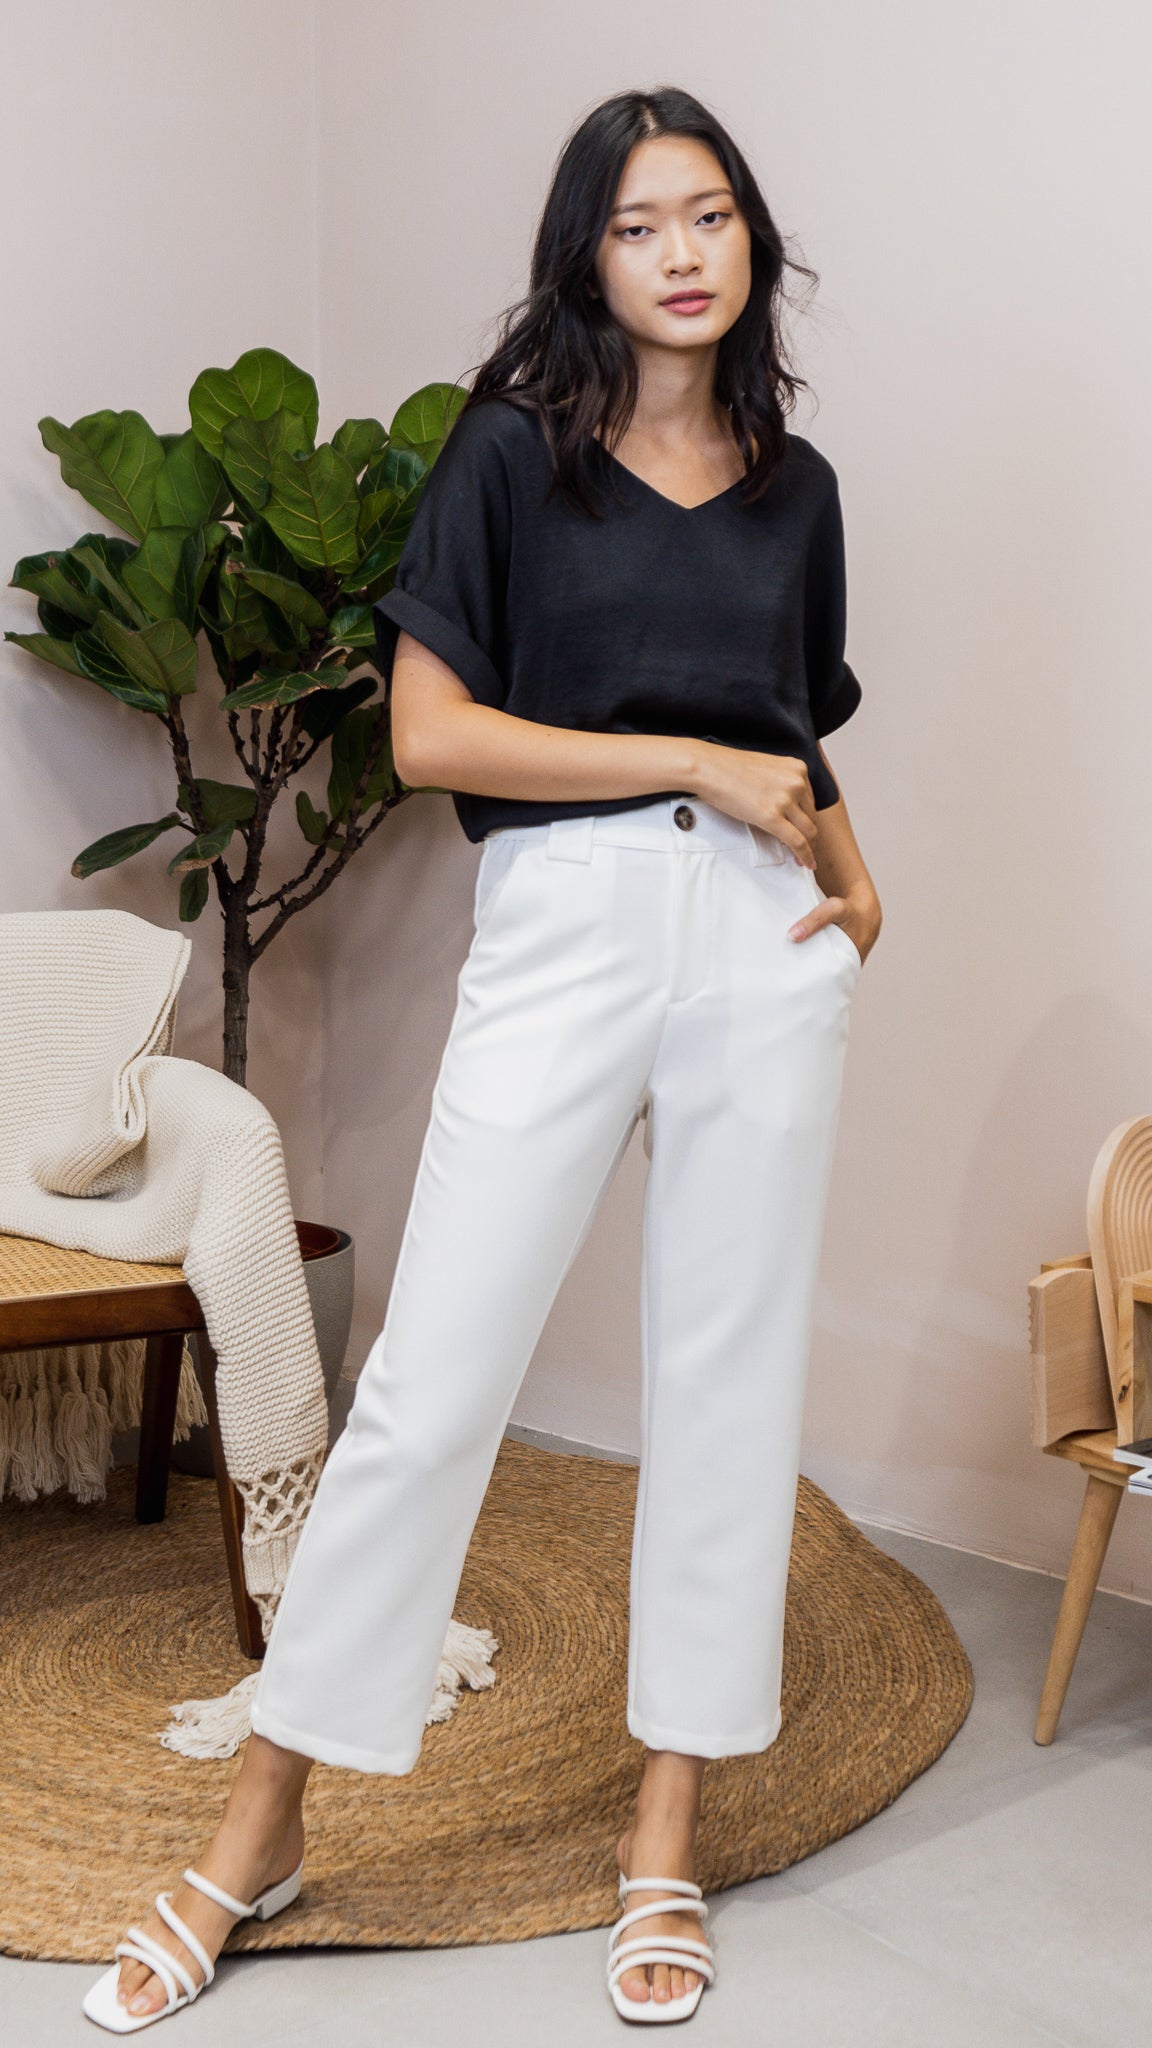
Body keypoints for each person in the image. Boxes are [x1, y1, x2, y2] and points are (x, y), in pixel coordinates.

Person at [84, 83, 881, 2033]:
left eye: (712, 213)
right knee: (436, 1377)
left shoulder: (798, 488)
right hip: (569, 921)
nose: (684, 251)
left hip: (759, 946)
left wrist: (857, 889)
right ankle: (264, 1825)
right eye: (640, 223)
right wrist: (690, 763)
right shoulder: (511, 454)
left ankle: (664, 1824)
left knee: (729, 1381)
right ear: (584, 256)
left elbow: (793, 730)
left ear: (753, 238)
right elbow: (433, 738)